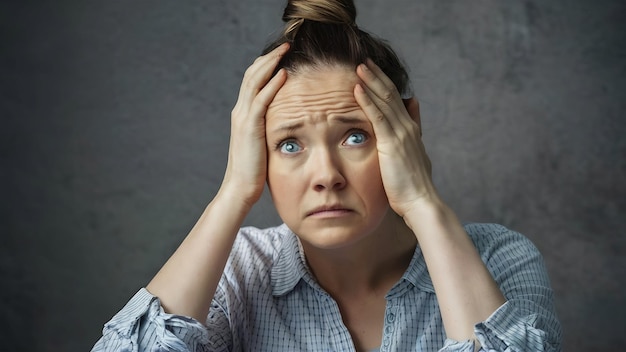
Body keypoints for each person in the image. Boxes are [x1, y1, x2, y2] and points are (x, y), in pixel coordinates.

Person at [91, 0, 562, 351]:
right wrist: (233, 193)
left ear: (407, 129)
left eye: (355, 136)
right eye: (289, 144)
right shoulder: (234, 276)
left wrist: (422, 200)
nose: (326, 176)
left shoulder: (500, 259)